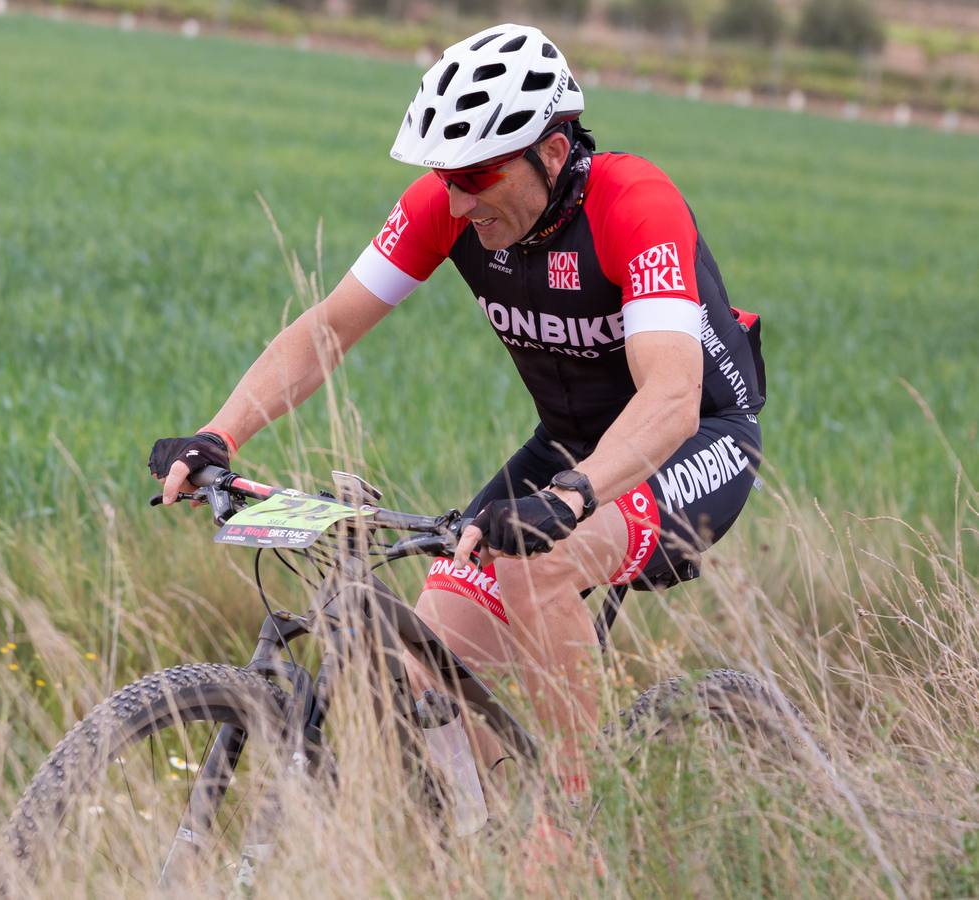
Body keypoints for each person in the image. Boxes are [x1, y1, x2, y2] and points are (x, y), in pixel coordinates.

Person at [147, 21, 766, 859]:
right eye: (446, 177)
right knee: (424, 663)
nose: (459, 200)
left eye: (477, 174)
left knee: (541, 562)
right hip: (571, 443)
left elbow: (672, 395)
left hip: (692, 441)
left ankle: (577, 827)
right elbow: (327, 329)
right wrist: (217, 435)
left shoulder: (634, 202)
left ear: (551, 151)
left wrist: (575, 497)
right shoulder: (449, 208)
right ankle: (480, 849)